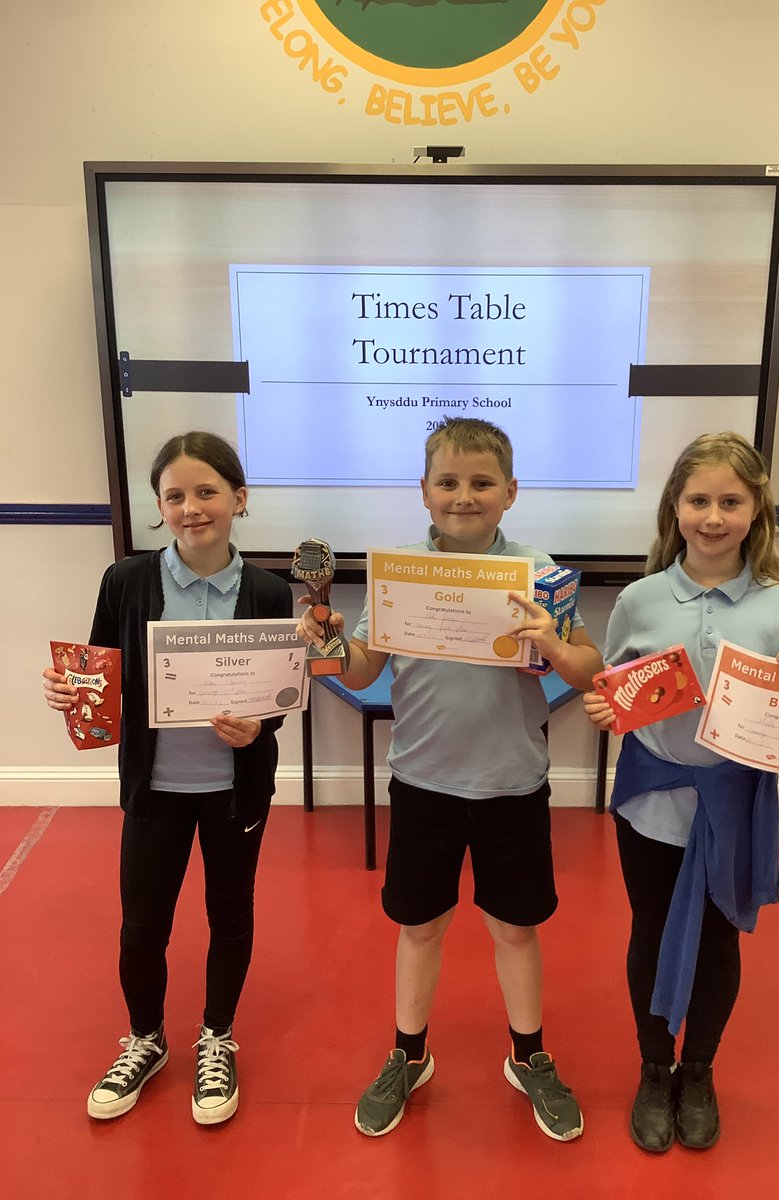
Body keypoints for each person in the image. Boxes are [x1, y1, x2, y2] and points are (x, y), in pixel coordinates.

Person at [298, 417, 603, 1141]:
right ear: (425, 492)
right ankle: (410, 1053)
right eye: (448, 482)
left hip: (512, 784)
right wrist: (328, 635)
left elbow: (590, 668)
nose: (464, 496)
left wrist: (555, 643)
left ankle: (528, 1056)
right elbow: (364, 669)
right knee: (420, 925)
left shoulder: (540, 571)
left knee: (516, 928)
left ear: (510, 492)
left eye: (481, 482)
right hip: (425, 783)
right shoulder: (399, 571)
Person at [583, 432, 779, 1153]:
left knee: (721, 939)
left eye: (731, 501)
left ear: (756, 510)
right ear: (675, 508)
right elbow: (617, 686)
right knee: (652, 931)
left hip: (734, 805)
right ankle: (654, 1068)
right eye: (699, 500)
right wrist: (607, 706)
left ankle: (700, 1070)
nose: (713, 516)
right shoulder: (640, 598)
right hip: (653, 800)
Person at [42, 432, 293, 1125]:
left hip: (234, 791)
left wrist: (259, 727)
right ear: (158, 506)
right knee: (141, 926)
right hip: (155, 789)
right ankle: (146, 1039)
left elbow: (276, 700)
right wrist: (73, 695)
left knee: (229, 913)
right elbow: (99, 674)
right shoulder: (126, 580)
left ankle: (217, 1037)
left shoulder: (271, 591)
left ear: (239, 499)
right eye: (175, 495)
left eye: (207, 491)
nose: (192, 507)